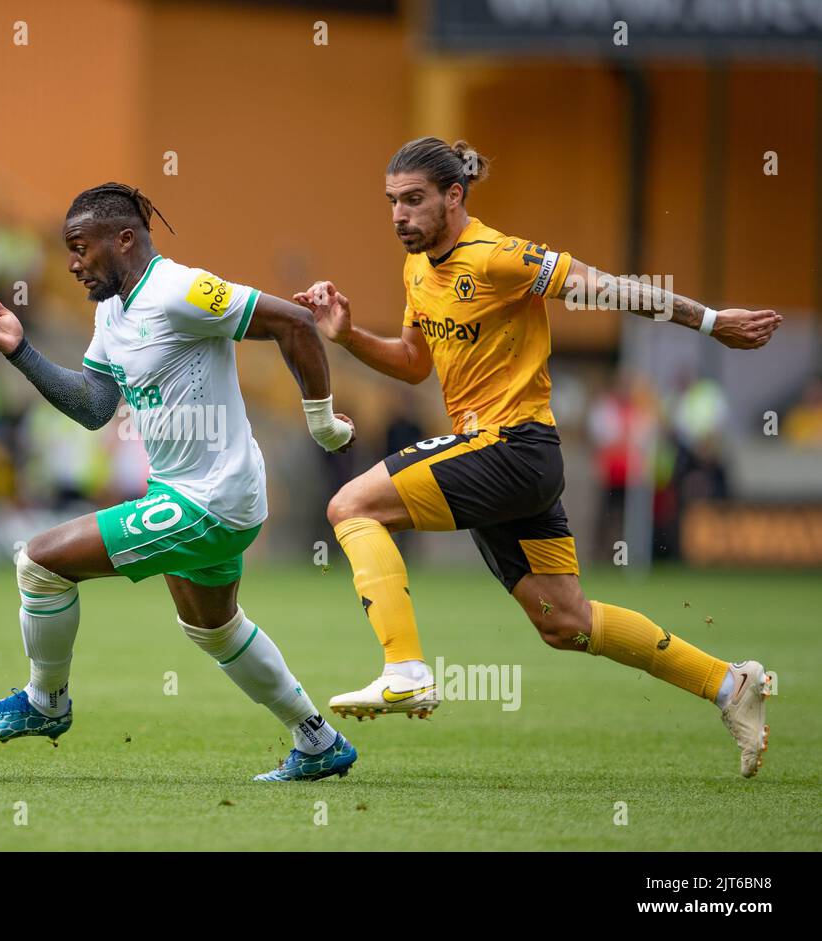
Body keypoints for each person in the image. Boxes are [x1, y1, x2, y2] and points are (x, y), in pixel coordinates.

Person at [295, 138, 781, 778]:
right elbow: (416, 364)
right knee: (566, 622)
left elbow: (609, 291)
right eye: (392, 202)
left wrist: (712, 320)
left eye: (413, 200)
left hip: (514, 447)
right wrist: (349, 335)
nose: (399, 216)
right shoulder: (418, 270)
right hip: (504, 461)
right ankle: (729, 685)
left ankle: (405, 669)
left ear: (454, 196)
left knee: (350, 505)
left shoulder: (500, 256)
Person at [0, 182, 358, 781]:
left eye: (80, 247)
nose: (72, 263)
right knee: (214, 629)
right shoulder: (111, 311)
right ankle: (318, 740)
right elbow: (97, 405)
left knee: (39, 562)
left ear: (124, 239)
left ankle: (46, 703)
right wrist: (22, 351)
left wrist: (323, 423)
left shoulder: (181, 291)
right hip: (182, 492)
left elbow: (297, 322)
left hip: (214, 498)